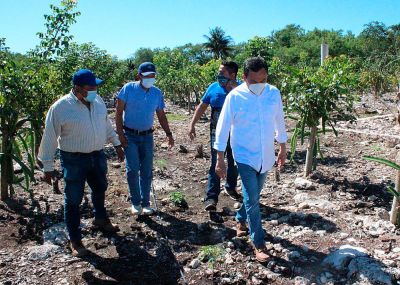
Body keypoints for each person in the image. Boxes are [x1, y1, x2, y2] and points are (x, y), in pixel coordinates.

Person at [38, 69, 125, 257]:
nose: (95, 89)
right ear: (78, 88)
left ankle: (101, 219)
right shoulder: (61, 107)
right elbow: (49, 138)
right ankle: (76, 241)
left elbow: (106, 125)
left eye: (96, 86)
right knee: (73, 200)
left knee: (100, 187)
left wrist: (117, 144)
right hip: (73, 159)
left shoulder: (98, 101)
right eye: (91, 87)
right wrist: (47, 166)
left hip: (97, 155)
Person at [214, 57, 288, 263]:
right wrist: (220, 158)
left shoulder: (273, 93)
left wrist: (282, 147)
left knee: (254, 196)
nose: (260, 85)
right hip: (244, 155)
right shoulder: (235, 97)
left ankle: (240, 219)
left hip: (266, 156)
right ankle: (259, 243)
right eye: (255, 81)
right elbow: (223, 127)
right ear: (244, 77)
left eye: (263, 80)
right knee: (253, 199)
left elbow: (279, 121)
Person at [115, 62, 174, 216]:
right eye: (147, 76)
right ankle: (135, 202)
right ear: (139, 76)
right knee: (133, 169)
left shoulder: (156, 93)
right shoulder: (128, 89)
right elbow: (118, 111)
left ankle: (146, 203)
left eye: (153, 76)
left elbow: (161, 115)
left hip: (147, 136)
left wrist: (169, 134)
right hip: (130, 135)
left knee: (147, 170)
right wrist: (120, 135)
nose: (150, 78)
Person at [188, 61, 241, 211]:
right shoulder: (213, 87)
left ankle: (230, 187)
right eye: (219, 73)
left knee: (234, 162)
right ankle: (211, 197)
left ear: (232, 75)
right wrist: (192, 124)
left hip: (237, 133)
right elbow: (202, 106)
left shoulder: (242, 90)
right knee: (215, 163)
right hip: (216, 132)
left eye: (222, 73)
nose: (219, 76)